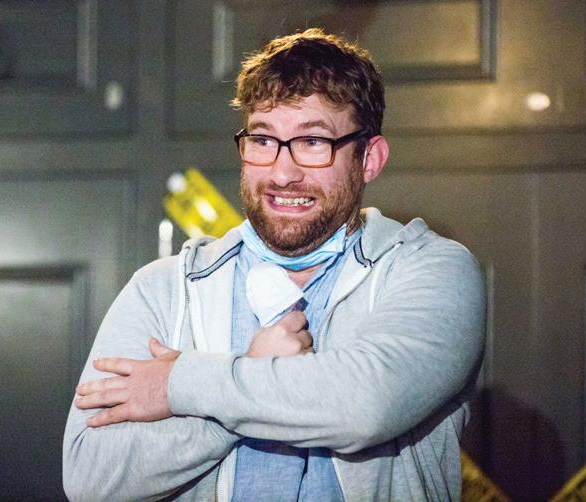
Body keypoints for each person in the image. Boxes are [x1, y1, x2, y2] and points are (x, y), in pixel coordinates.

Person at [63, 28, 485, 501]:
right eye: (263, 140)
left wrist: (179, 385)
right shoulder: (164, 288)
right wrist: (241, 386)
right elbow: (90, 478)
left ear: (369, 158)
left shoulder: (432, 270)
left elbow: (364, 407)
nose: (283, 173)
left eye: (313, 142)